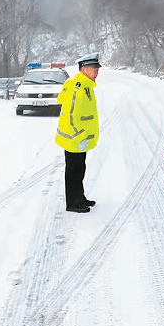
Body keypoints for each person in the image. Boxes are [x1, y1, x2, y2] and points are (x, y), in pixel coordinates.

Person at [55, 53, 101, 213]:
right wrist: (80, 136)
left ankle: (79, 197)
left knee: (79, 169)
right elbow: (71, 116)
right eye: (93, 69)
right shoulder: (78, 86)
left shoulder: (85, 84)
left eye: (97, 69)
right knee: (74, 171)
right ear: (84, 70)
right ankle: (73, 203)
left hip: (79, 139)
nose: (96, 72)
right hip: (74, 138)